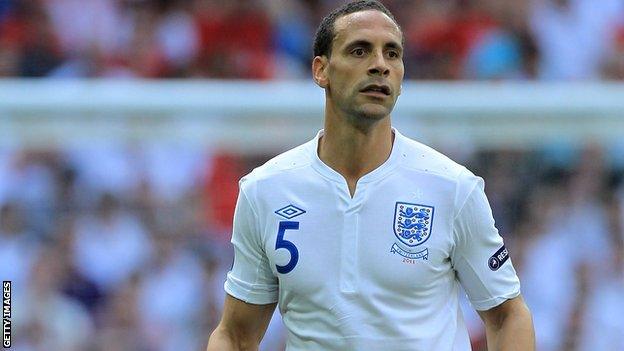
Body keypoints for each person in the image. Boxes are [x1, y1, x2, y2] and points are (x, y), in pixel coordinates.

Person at [207, 1, 535, 350]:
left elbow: (507, 313)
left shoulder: (452, 187)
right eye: (360, 51)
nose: (380, 65)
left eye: (392, 54)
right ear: (321, 70)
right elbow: (235, 334)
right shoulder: (266, 191)